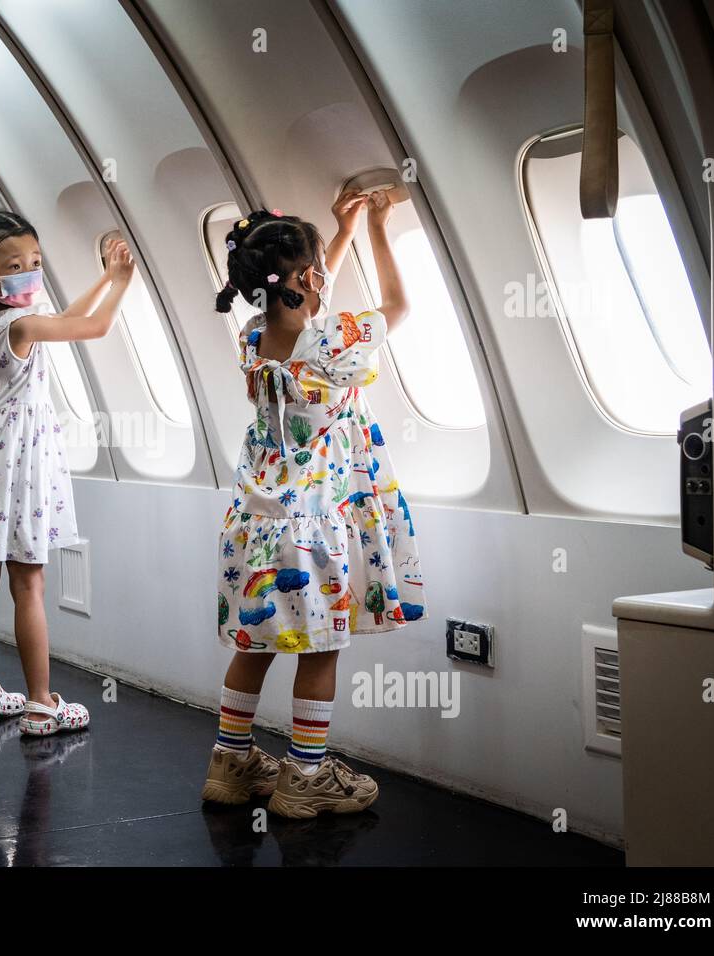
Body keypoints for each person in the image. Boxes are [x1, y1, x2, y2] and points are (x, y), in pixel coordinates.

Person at [202, 191, 427, 816]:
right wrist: (379, 226)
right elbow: (398, 305)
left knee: (258, 644)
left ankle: (231, 762)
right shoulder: (333, 341)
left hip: (254, 520)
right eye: (319, 267)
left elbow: (297, 292)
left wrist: (342, 228)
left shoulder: (252, 337)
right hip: (315, 525)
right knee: (319, 647)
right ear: (307, 277)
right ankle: (304, 776)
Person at [0, 209, 135, 736]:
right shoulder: (23, 324)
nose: (31, 271)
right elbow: (91, 326)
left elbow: (69, 315)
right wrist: (121, 282)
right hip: (18, 466)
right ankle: (40, 703)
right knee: (28, 582)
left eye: (36, 260)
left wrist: (103, 275)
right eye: (16, 265)